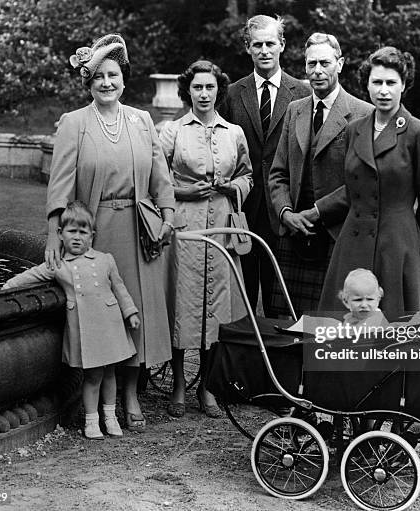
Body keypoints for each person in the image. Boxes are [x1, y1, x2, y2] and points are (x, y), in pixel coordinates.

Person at [45, 34, 175, 433]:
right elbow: (60, 183)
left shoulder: (141, 119)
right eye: (98, 76)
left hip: (139, 232)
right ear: (89, 83)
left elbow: (160, 174)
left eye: (113, 75)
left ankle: (131, 394)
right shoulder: (74, 123)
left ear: (124, 78)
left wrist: (168, 215)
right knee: (104, 316)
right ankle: (99, 403)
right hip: (96, 232)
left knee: (136, 311)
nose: (106, 83)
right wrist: (55, 232)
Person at [319, 47, 420, 318]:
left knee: (391, 334)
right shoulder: (355, 129)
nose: (383, 90)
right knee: (342, 332)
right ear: (367, 85)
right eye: (377, 82)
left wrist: (417, 252)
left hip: (397, 249)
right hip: (352, 245)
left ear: (404, 85)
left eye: (391, 83)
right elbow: (353, 191)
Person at [159, 60, 253, 418]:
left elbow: (248, 176)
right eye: (197, 87)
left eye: (210, 87)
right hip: (186, 229)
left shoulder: (234, 132)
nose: (203, 94)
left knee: (216, 309)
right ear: (188, 91)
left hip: (225, 228)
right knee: (184, 304)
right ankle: (180, 386)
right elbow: (158, 180)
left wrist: (234, 187)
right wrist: (182, 192)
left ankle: (208, 387)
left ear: (219, 91)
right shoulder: (172, 132)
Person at [3, 202, 140, 439]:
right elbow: (31, 275)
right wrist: (6, 287)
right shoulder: (58, 265)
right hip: (86, 328)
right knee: (93, 376)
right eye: (71, 231)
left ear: (92, 235)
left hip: (110, 325)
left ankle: (111, 417)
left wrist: (130, 312)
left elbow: (120, 288)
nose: (77, 237)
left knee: (110, 374)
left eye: (83, 232)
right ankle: (91, 421)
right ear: (60, 234)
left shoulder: (105, 259)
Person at [268, 33, 373, 317]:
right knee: (289, 324)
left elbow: (359, 183)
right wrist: (286, 213)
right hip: (294, 234)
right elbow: (277, 173)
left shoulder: (363, 114)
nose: (317, 71)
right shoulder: (295, 110)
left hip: (337, 235)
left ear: (340, 64)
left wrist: (315, 213)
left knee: (331, 324)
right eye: (311, 63)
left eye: (324, 63)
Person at [218, 15, 311, 317]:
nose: (264, 50)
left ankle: (277, 364)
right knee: (239, 303)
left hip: (283, 210)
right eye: (257, 44)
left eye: (270, 43)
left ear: (282, 45)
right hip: (241, 211)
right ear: (247, 48)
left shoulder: (303, 93)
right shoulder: (232, 94)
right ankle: (244, 364)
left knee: (280, 305)